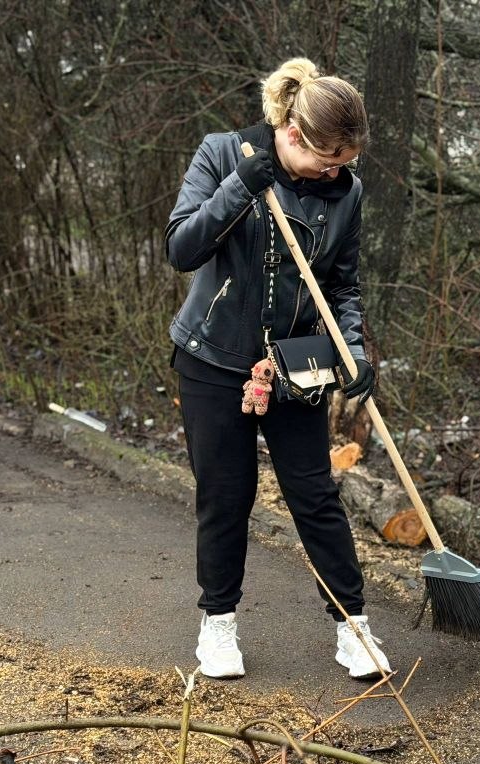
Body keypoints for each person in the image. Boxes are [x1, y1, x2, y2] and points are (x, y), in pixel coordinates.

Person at [165, 58, 391, 681]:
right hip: (212, 357)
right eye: (328, 156)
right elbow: (181, 247)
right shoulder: (223, 154)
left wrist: (353, 350)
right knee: (225, 497)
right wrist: (240, 184)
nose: (337, 169)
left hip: (296, 365)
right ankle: (218, 625)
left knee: (315, 496)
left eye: (346, 159)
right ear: (292, 133)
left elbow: (342, 283)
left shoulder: (347, 191)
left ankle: (354, 629)